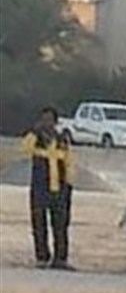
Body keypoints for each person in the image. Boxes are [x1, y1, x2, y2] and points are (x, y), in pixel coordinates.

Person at [21, 107, 75, 270]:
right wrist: (34, 132)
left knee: (60, 225)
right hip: (40, 188)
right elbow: (25, 148)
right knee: (39, 224)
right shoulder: (35, 138)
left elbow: (69, 161)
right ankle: (42, 257)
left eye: (50, 120)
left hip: (59, 188)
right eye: (44, 120)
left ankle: (60, 259)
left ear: (55, 122)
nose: (47, 123)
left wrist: (69, 185)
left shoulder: (62, 140)